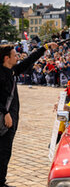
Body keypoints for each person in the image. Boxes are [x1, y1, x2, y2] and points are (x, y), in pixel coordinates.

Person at [0, 42, 58, 187]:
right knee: (3, 150)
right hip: (4, 117)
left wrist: (44, 48)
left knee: (6, 151)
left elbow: (29, 60)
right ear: (6, 58)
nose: (17, 57)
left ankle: (1, 180)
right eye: (14, 55)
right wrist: (5, 113)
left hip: (11, 117)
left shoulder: (12, 70)